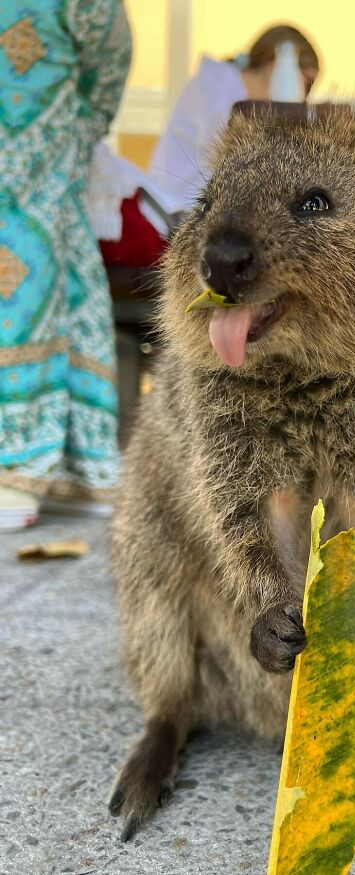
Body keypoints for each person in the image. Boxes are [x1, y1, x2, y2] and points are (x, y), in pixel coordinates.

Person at [0, 1, 131, 530]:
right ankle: (66, 471)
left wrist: (78, 128)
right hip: (42, 150)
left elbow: (110, 49)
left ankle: (20, 469)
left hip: (43, 154)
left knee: (32, 286)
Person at [101, 24, 321, 266]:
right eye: (306, 84)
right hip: (173, 215)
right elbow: (235, 170)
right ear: (279, 68)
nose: (305, 96)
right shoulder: (220, 89)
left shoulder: (225, 88)